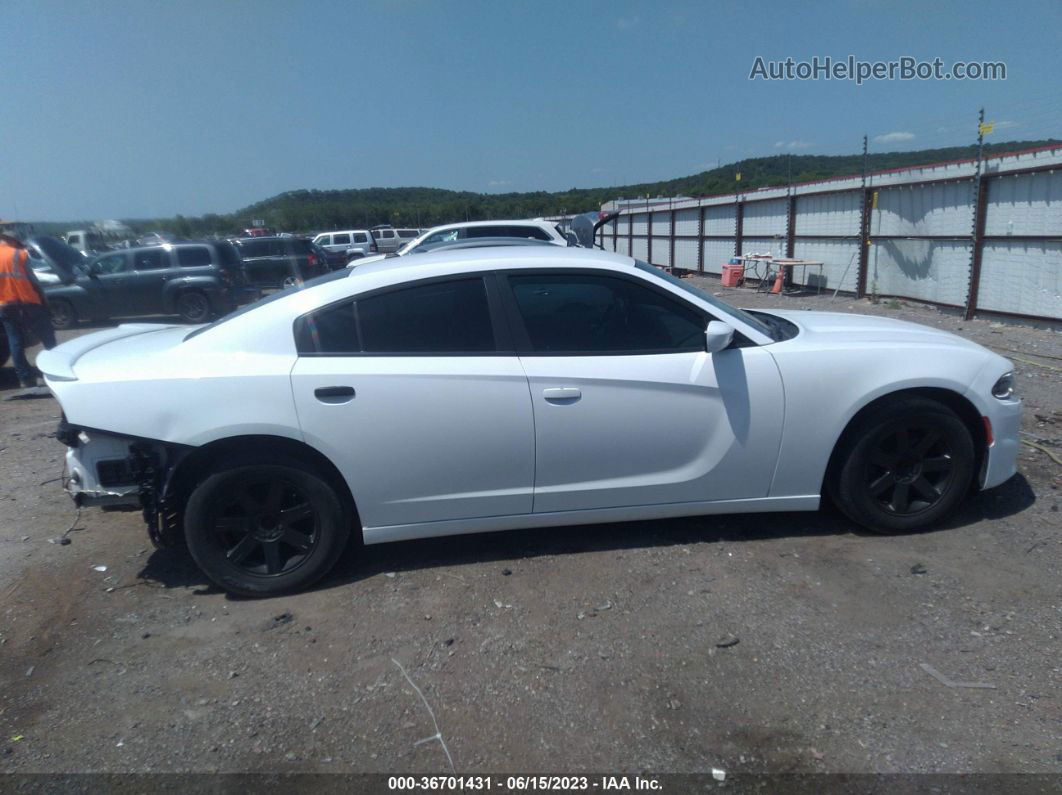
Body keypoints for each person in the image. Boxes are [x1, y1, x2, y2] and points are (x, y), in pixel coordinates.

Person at [0, 230, 57, 388]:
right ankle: (57, 370)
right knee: (48, 337)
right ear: (13, 242)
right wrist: (45, 301)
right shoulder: (19, 255)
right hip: (29, 302)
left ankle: (25, 378)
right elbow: (34, 281)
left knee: (15, 341)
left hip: (5, 306)